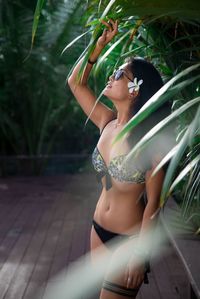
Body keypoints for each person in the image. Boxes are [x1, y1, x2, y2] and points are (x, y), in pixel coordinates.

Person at [68, 19, 171, 299]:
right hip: (98, 229)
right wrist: (96, 46)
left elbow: (154, 202)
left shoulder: (150, 142)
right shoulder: (106, 121)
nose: (111, 77)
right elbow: (75, 83)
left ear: (135, 89)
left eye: (119, 74)